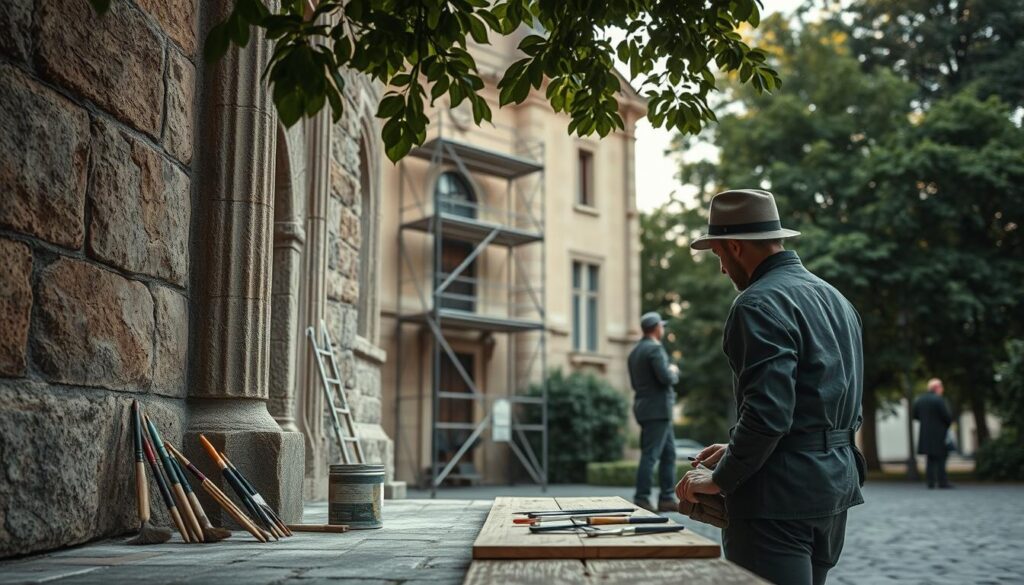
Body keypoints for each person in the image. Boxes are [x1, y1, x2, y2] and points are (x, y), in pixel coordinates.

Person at [675, 189, 865, 585]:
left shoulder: (757, 303)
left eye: (719, 256)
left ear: (734, 246)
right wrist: (737, 449)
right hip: (833, 490)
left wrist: (722, 476)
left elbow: (768, 414)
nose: (723, 270)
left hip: (777, 498)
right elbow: (827, 405)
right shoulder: (837, 300)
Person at [628, 311, 680, 512]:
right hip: (658, 410)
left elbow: (635, 383)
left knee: (669, 454)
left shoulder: (635, 352)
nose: (663, 330)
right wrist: (673, 371)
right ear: (657, 327)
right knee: (651, 455)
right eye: (662, 326)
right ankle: (642, 497)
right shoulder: (655, 350)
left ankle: (666, 498)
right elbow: (665, 378)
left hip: (644, 408)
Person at [913, 378, 954, 489]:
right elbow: (947, 417)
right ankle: (942, 482)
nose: (942, 390)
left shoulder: (920, 400)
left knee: (930, 460)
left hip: (925, 434)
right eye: (941, 387)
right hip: (939, 434)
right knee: (941, 459)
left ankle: (930, 483)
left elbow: (915, 415)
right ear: (937, 387)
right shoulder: (939, 400)